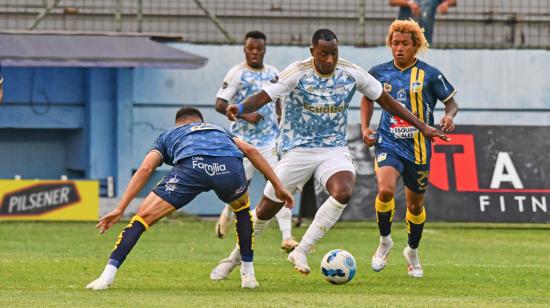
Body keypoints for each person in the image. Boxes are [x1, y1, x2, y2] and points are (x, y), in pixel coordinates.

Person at [210, 28, 449, 283]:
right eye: (323, 54)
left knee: (344, 190)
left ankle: (301, 250)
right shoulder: (297, 72)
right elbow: (263, 97)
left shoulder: (350, 72)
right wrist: (241, 107)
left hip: (333, 149)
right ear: (313, 52)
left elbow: (386, 100)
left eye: (333, 53)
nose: (329, 60)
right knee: (266, 211)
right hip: (297, 150)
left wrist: (422, 126)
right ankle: (234, 258)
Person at [86, 107, 294, 290]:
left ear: (178, 123)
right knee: (242, 210)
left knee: (142, 218)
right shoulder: (219, 129)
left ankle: (106, 277)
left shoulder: (170, 133)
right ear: (200, 121)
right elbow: (251, 151)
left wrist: (121, 208)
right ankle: (248, 277)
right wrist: (278, 186)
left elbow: (146, 168)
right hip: (229, 167)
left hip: (193, 167)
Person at [361, 19, 458, 278]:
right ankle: (384, 242)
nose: (399, 48)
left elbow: (451, 104)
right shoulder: (378, 72)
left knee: (414, 207)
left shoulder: (430, 74)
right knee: (385, 189)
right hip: (388, 141)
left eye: (405, 43)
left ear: (416, 45)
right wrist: (365, 127)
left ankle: (412, 251)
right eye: (395, 43)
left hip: (418, 147)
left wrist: (449, 116)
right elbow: (367, 98)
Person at [214, 30, 298, 252]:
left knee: (279, 184)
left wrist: (280, 119)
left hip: (269, 142)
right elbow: (220, 103)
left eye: (258, 49)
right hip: (242, 142)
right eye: (250, 48)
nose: (254, 52)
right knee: (238, 187)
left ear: (264, 49)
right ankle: (226, 212)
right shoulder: (237, 74)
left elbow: (277, 99)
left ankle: (287, 237)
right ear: (244, 49)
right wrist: (244, 114)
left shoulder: (272, 72)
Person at [389, 0, 457, 45]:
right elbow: (392, 1)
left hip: (424, 38)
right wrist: (410, 3)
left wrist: (446, 3)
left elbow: (453, 1)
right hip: (402, 36)